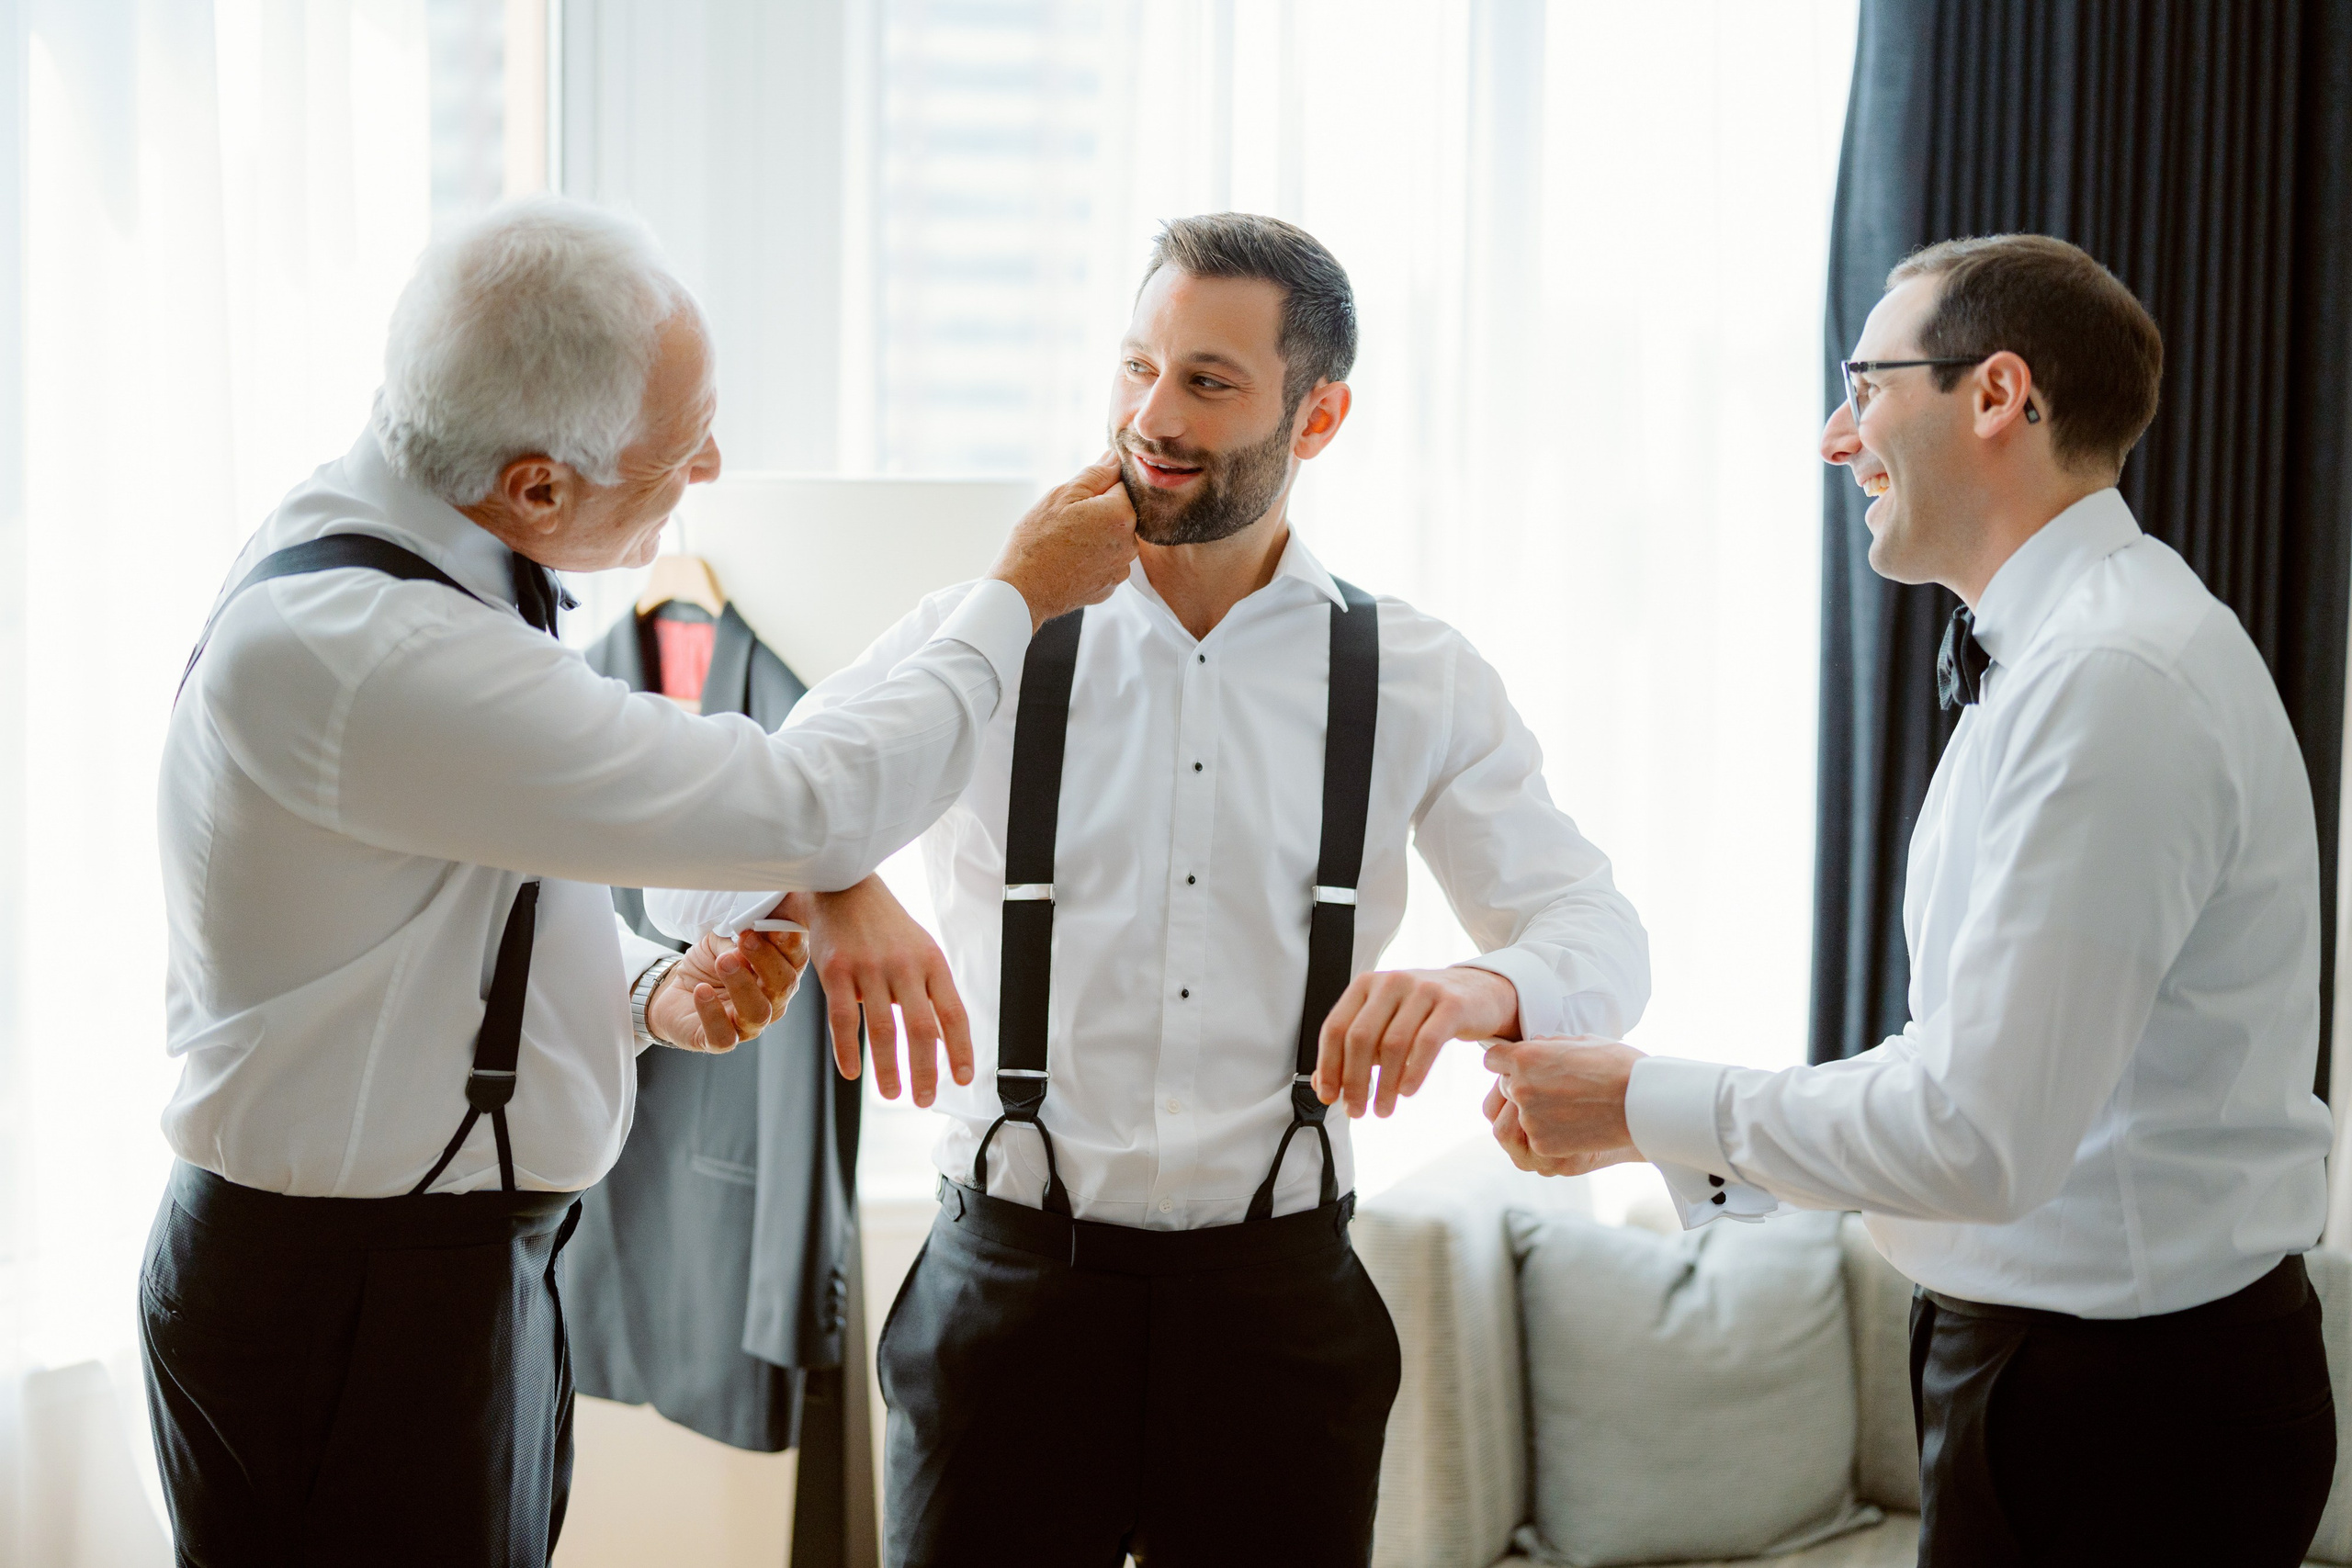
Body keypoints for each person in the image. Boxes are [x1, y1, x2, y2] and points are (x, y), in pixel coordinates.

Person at [141, 197, 1136, 1568]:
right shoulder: (369, 645)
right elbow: (799, 807)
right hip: (355, 1306)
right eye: (685, 447)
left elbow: (418, 924)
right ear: (537, 484)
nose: (714, 465)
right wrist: (1017, 597)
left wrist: (645, 994)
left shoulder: (413, 554)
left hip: (434, 1279)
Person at [650, 213, 1649, 1568]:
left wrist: (1477, 987)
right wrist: (836, 883)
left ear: (1323, 412)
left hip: (1280, 1319)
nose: (1152, 417)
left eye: (1208, 381)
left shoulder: (1415, 672)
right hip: (1008, 1298)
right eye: (1137, 366)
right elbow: (684, 863)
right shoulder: (983, 629)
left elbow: (1600, 937)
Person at [1481, 234, 2337, 1567]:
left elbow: (1979, 1135)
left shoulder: (2114, 678)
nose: (1838, 437)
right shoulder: (2076, 653)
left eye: (1867, 383)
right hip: (2077, 1382)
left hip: (2123, 1421)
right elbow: (1969, 1072)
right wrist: (1663, 1140)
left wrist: (1644, 1098)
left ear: (1997, 395)